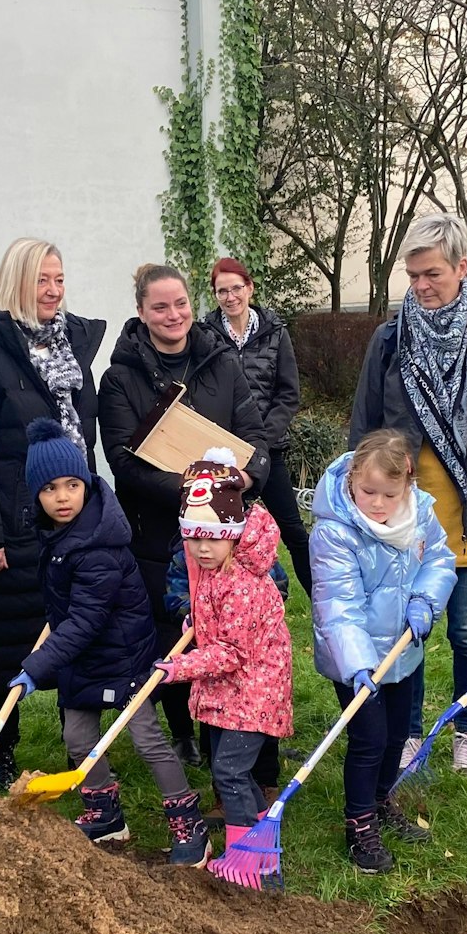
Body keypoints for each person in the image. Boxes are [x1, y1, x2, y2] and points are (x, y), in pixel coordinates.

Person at [350, 214, 467, 778]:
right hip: (404, 518)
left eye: (432, 273)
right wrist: (363, 501)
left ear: (462, 267)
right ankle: (410, 734)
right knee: (408, 631)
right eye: (413, 276)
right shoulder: (391, 338)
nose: (422, 286)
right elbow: (364, 428)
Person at [0, 239, 105, 792]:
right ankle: (1, 754)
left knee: (73, 630)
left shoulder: (72, 346)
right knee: (3, 644)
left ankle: (76, 747)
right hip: (10, 524)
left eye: (59, 280)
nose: (54, 291)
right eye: (42, 280)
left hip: (70, 515)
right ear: (16, 282)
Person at [13, 419, 210, 865]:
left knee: (145, 737)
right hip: (85, 656)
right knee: (78, 736)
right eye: (49, 490)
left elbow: (85, 619)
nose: (62, 497)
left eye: (71, 484)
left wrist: (37, 666)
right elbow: (67, 608)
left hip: (123, 655)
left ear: (86, 482)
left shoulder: (99, 545)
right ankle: (105, 814)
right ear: (35, 495)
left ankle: (188, 822)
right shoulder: (56, 535)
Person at [100, 263, 272, 768]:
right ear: (141, 312)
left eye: (180, 304)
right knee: (175, 631)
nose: (173, 315)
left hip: (228, 534)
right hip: (159, 533)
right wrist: (195, 491)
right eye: (160, 306)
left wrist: (246, 478)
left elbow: (255, 437)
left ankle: (242, 741)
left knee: (233, 638)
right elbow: (124, 461)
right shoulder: (120, 378)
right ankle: (182, 733)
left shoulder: (221, 362)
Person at [309, 430, 456, 874]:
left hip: (403, 649)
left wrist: (426, 601)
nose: (376, 502)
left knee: (395, 735)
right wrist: (357, 665)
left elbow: (439, 560)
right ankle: (359, 825)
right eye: (367, 491)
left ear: (407, 487)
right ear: (352, 479)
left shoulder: (420, 516)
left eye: (389, 494)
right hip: (353, 658)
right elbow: (338, 607)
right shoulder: (334, 532)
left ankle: (380, 802)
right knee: (369, 740)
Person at [154, 450, 295, 886]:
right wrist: (195, 621)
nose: (201, 548)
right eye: (193, 539)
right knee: (236, 773)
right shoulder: (217, 570)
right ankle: (260, 850)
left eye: (211, 538)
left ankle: (242, 859)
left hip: (253, 690)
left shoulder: (242, 584)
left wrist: (181, 666)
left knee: (229, 773)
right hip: (237, 690)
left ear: (233, 533)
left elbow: (232, 653)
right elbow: (217, 623)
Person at [203, 257, 312, 587]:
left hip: (269, 450)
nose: (230, 296)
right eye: (222, 291)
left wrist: (261, 439)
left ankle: (323, 609)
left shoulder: (275, 333)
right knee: (225, 533)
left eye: (236, 288)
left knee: (293, 531)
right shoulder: (205, 336)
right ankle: (233, 608)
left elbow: (288, 393)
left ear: (249, 288)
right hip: (225, 454)